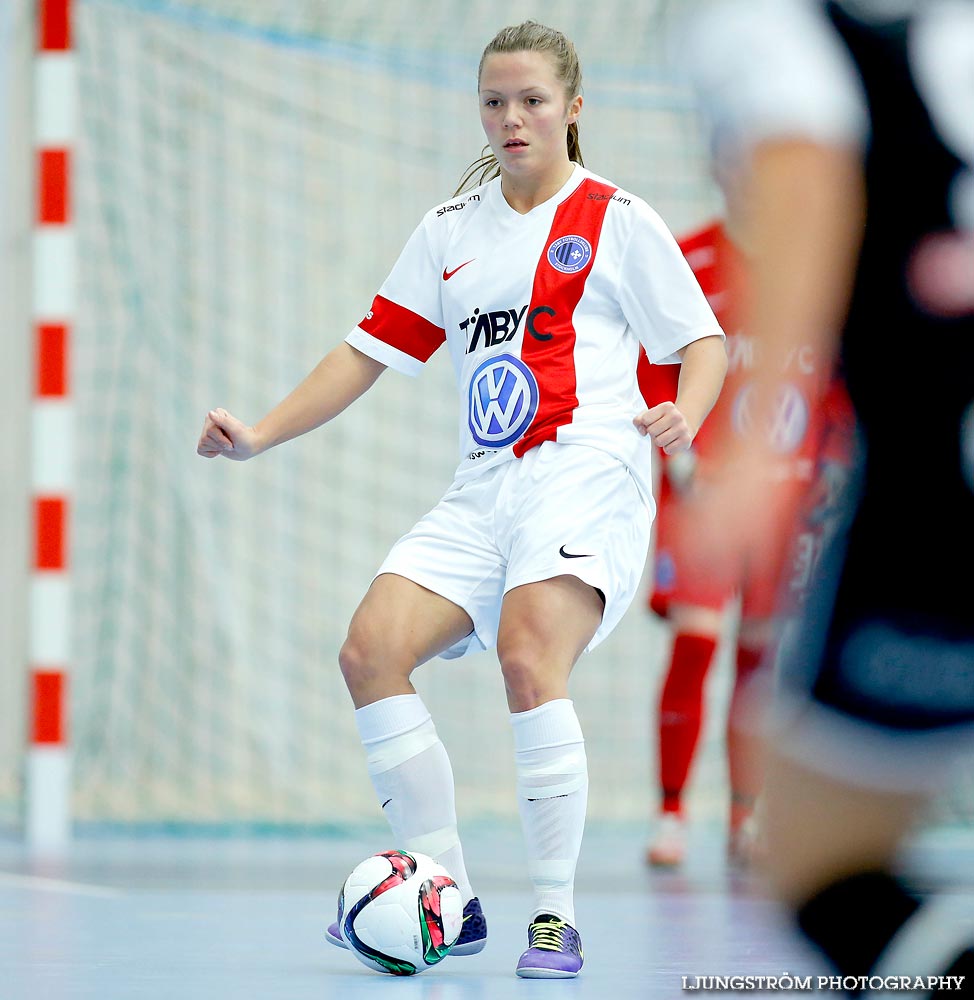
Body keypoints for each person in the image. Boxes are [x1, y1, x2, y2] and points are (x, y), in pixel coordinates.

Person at [197, 20, 727, 979]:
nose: (512, 117)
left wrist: (684, 415)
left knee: (528, 652)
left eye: (531, 99)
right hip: (484, 487)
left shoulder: (616, 218)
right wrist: (261, 434)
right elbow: (366, 351)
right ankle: (451, 894)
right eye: (494, 100)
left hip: (587, 470)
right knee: (370, 648)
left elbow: (703, 341)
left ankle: (556, 919)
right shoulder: (450, 230)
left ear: (573, 108)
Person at [675, 0, 974, 990]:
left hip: (938, 479)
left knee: (818, 865)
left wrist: (761, 439)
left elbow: (804, 164)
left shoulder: (765, 23)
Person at [638, 216, 853, 870]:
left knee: (761, 657)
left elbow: (843, 368)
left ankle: (745, 814)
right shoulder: (691, 255)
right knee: (696, 636)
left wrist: (836, 454)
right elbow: (651, 356)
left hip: (786, 492)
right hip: (704, 483)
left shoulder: (819, 251)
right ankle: (671, 814)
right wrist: (674, 441)